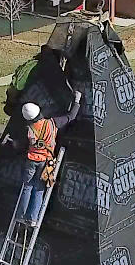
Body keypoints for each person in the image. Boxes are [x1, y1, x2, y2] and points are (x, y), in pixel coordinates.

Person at [5, 89, 81, 225]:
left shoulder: (27, 130)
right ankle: (33, 219)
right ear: (39, 112)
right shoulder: (52, 123)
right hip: (46, 162)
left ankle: (21, 215)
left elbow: (19, 145)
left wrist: (9, 142)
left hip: (31, 161)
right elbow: (71, 116)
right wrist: (77, 100)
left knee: (27, 187)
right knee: (39, 189)